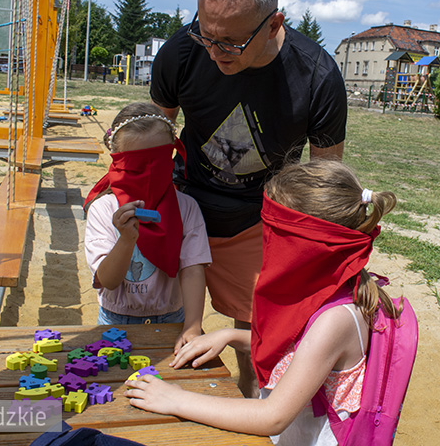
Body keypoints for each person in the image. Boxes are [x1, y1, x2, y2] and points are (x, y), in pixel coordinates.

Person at [150, 0, 348, 396]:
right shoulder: (183, 52)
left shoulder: (316, 76)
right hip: (188, 198)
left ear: (274, 23)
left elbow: (325, 183)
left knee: (255, 321)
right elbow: (154, 138)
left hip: (260, 215)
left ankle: (248, 394)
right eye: (207, 34)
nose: (215, 51)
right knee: (161, 316)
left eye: (232, 43)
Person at [125, 160, 402, 444]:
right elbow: (301, 350)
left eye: (273, 233)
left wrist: (175, 400)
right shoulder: (329, 283)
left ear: (308, 246)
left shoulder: (337, 319)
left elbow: (272, 416)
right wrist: (231, 335)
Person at [84, 103, 210, 352]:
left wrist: (193, 325)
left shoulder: (186, 208)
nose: (149, 174)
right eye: (138, 165)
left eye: (159, 160)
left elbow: (193, 270)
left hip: (173, 319)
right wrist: (126, 239)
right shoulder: (103, 209)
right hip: (115, 320)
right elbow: (108, 280)